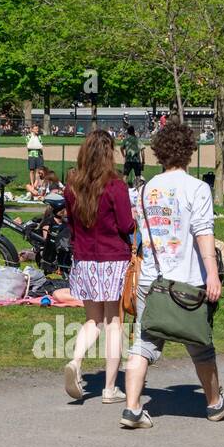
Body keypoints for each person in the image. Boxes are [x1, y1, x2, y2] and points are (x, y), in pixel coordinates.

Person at [121, 120, 224, 429]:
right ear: (189, 151)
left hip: (151, 280)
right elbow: (203, 234)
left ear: (159, 153)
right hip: (187, 281)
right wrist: (213, 275)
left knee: (143, 345)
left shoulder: (144, 190)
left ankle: (132, 408)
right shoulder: (197, 188)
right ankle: (214, 403)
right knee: (201, 344)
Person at [63, 130, 135, 405]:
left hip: (85, 259)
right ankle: (109, 388)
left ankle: (75, 360)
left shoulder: (71, 187)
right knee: (114, 323)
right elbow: (126, 225)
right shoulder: (116, 186)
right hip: (113, 258)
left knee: (92, 320)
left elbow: (70, 223)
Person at [25, 124, 45, 189]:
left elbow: (41, 146)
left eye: (37, 129)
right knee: (31, 170)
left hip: (39, 155)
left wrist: (41, 154)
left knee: (38, 171)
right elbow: (29, 147)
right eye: (36, 129)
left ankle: (36, 184)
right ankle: (32, 184)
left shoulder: (39, 137)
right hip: (32, 155)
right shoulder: (28, 137)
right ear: (32, 129)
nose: (37, 130)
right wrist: (37, 147)